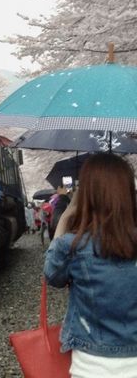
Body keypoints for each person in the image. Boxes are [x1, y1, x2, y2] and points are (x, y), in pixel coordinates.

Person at [44, 153, 137, 377]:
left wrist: (66, 216)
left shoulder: (71, 246)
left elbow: (51, 276)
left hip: (90, 365)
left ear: (87, 194)